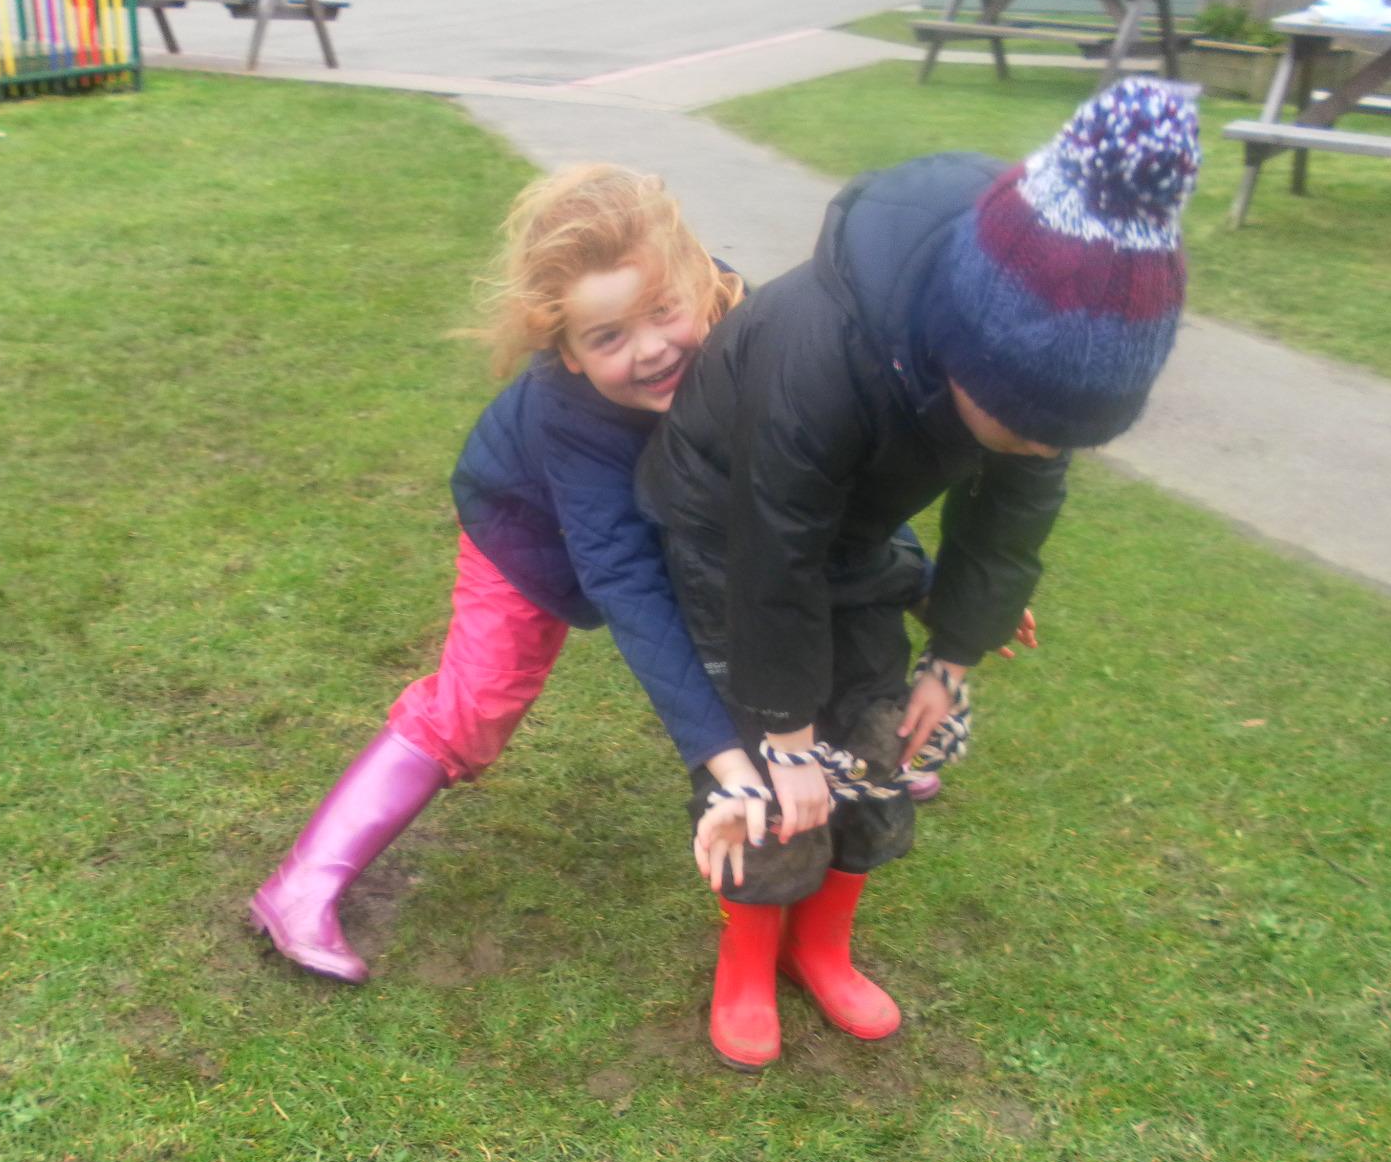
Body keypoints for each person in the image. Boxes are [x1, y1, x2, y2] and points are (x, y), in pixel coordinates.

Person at [643, 78, 1201, 1069]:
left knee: (874, 734)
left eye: (1064, 438)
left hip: (852, 535)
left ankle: (821, 945)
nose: (1040, 449)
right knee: (773, 762)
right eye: (1023, 428)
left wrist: (951, 656)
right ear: (960, 352)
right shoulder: (814, 350)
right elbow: (774, 554)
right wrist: (783, 733)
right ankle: (749, 955)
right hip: (734, 539)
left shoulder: (1029, 382)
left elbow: (1012, 512)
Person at [251, 164, 775, 984]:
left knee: (766, 593)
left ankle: (851, 757)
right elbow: (625, 582)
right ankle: (299, 886)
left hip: (665, 503)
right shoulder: (568, 414)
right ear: (565, 352)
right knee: (477, 704)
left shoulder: (746, 319)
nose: (650, 349)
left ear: (700, 280)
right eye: (607, 338)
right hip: (527, 527)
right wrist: (715, 752)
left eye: (662, 311)